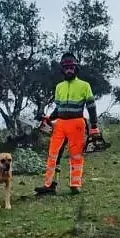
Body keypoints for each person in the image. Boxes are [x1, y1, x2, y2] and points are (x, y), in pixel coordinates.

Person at [34, 53, 100, 195]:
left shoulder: (84, 86)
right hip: (60, 124)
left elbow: (91, 107)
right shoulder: (59, 87)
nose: (69, 70)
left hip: (77, 123)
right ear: (62, 69)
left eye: (71, 67)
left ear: (76, 68)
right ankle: (49, 185)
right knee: (53, 154)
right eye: (66, 68)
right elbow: (59, 108)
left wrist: (94, 126)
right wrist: (49, 118)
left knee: (76, 155)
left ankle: (75, 184)